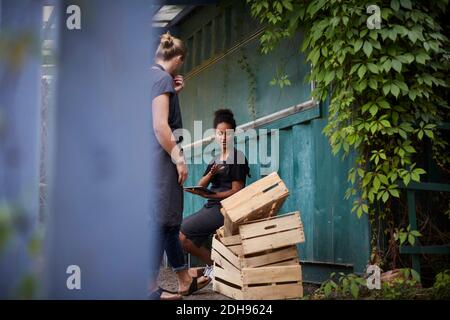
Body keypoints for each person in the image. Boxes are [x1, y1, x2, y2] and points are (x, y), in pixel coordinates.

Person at [148, 32, 208, 300]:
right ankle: (149, 289)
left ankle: (184, 280)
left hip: (149, 161)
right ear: (179, 59)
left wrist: (173, 92)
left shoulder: (150, 78)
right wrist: (178, 158)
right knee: (161, 222)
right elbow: (161, 127)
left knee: (170, 221)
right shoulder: (161, 79)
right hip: (160, 160)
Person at [180, 109, 250, 280]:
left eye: (227, 133)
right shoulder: (216, 159)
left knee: (180, 233)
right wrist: (211, 174)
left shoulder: (237, 157)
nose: (224, 137)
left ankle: (213, 266)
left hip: (224, 209)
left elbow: (237, 192)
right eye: (220, 133)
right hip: (211, 206)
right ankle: (215, 265)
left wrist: (212, 196)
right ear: (215, 135)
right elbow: (202, 184)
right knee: (181, 236)